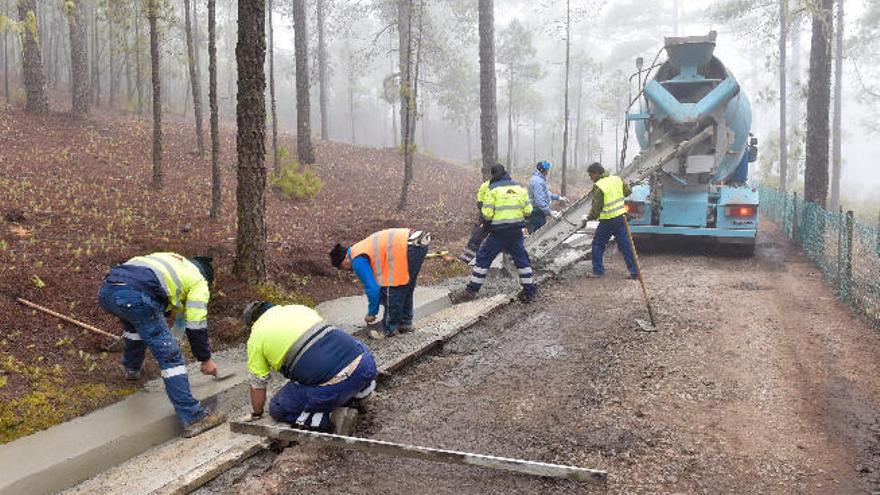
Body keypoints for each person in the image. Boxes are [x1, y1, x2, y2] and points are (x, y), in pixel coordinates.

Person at [97, 252, 226, 438]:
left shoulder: (173, 260)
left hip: (108, 291)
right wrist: (205, 359)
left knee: (135, 328)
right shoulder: (199, 282)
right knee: (171, 355)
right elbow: (196, 325)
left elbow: (173, 311)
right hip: (135, 296)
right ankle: (194, 417)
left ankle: (131, 369)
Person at [242, 302, 377, 432]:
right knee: (347, 347)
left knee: (278, 407)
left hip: (334, 387)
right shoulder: (297, 309)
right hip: (366, 367)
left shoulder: (256, 338)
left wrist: (257, 413)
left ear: (253, 323)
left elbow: (258, 384)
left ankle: (331, 418)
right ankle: (363, 394)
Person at [450, 165, 537, 304]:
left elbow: (487, 214)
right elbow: (528, 211)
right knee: (522, 260)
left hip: (499, 233)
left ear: (493, 176)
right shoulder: (520, 189)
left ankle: (471, 291)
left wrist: (490, 221)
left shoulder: (492, 190)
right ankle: (530, 292)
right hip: (516, 232)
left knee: (484, 257)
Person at [329, 228, 430, 339]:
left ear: (344, 259)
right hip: (418, 243)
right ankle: (405, 323)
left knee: (393, 289)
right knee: (405, 286)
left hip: (407, 246)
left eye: (343, 267)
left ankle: (387, 329)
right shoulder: (360, 249)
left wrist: (372, 313)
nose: (347, 269)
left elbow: (372, 288)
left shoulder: (356, 259)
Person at [584, 162, 639, 279]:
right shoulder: (617, 179)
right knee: (626, 245)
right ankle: (634, 272)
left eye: (591, 175)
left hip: (607, 221)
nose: (590, 178)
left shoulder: (599, 186)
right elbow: (628, 191)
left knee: (598, 244)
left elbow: (596, 208)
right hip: (620, 218)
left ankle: (598, 271)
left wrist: (588, 218)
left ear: (597, 173)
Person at [459, 164, 506, 264]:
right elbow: (480, 203)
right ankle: (467, 258)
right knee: (477, 237)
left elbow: (480, 203)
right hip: (490, 217)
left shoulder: (502, 187)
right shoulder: (488, 186)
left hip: (496, 217)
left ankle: (499, 260)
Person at [526, 160, 568, 234]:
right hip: (536, 214)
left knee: (540, 235)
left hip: (539, 212)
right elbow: (540, 200)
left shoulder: (540, 179)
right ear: (543, 170)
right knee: (537, 236)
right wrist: (550, 212)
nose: (548, 171)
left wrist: (559, 198)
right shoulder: (537, 181)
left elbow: (546, 193)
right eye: (547, 169)